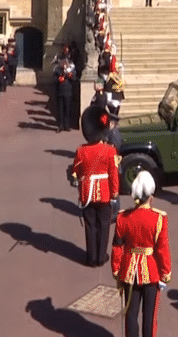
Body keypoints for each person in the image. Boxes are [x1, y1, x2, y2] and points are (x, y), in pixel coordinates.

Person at [112, 171, 172, 337]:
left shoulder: (122, 217)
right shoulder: (159, 218)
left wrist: (116, 269)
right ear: (150, 196)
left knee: (131, 314)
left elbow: (117, 246)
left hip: (129, 272)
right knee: (149, 316)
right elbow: (162, 249)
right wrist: (165, 272)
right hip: (151, 272)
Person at [71, 106, 121, 267]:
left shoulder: (81, 151)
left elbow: (76, 172)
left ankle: (91, 257)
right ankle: (101, 256)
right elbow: (113, 174)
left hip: (87, 193)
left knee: (90, 225)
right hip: (105, 192)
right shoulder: (110, 151)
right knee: (104, 225)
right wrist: (114, 192)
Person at [53, 58, 78, 132]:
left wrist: (70, 76)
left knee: (67, 109)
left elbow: (74, 79)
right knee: (60, 110)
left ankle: (66, 125)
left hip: (68, 92)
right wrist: (58, 79)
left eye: (65, 63)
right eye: (63, 63)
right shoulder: (57, 70)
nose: (64, 65)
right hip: (59, 92)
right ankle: (60, 125)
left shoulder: (70, 70)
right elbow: (54, 80)